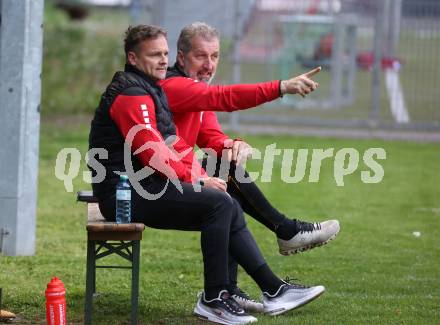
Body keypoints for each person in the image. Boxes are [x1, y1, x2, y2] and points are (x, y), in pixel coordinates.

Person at [89, 24, 327, 325]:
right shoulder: (134, 92)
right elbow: (152, 151)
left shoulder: (151, 88)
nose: (162, 60)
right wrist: (197, 179)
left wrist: (203, 170)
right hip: (125, 193)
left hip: (146, 184)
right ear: (134, 58)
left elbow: (174, 144)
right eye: (155, 55)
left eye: (164, 53)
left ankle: (271, 289)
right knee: (220, 203)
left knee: (224, 199)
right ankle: (216, 298)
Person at [158, 22, 340, 312]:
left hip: (178, 177)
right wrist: (281, 87)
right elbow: (224, 98)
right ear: (181, 58)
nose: (209, 65)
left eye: (214, 56)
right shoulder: (173, 86)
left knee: (223, 168)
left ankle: (233, 288)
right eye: (200, 56)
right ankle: (285, 234)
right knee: (223, 197)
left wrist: (233, 146)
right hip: (156, 186)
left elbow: (212, 138)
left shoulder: (196, 90)